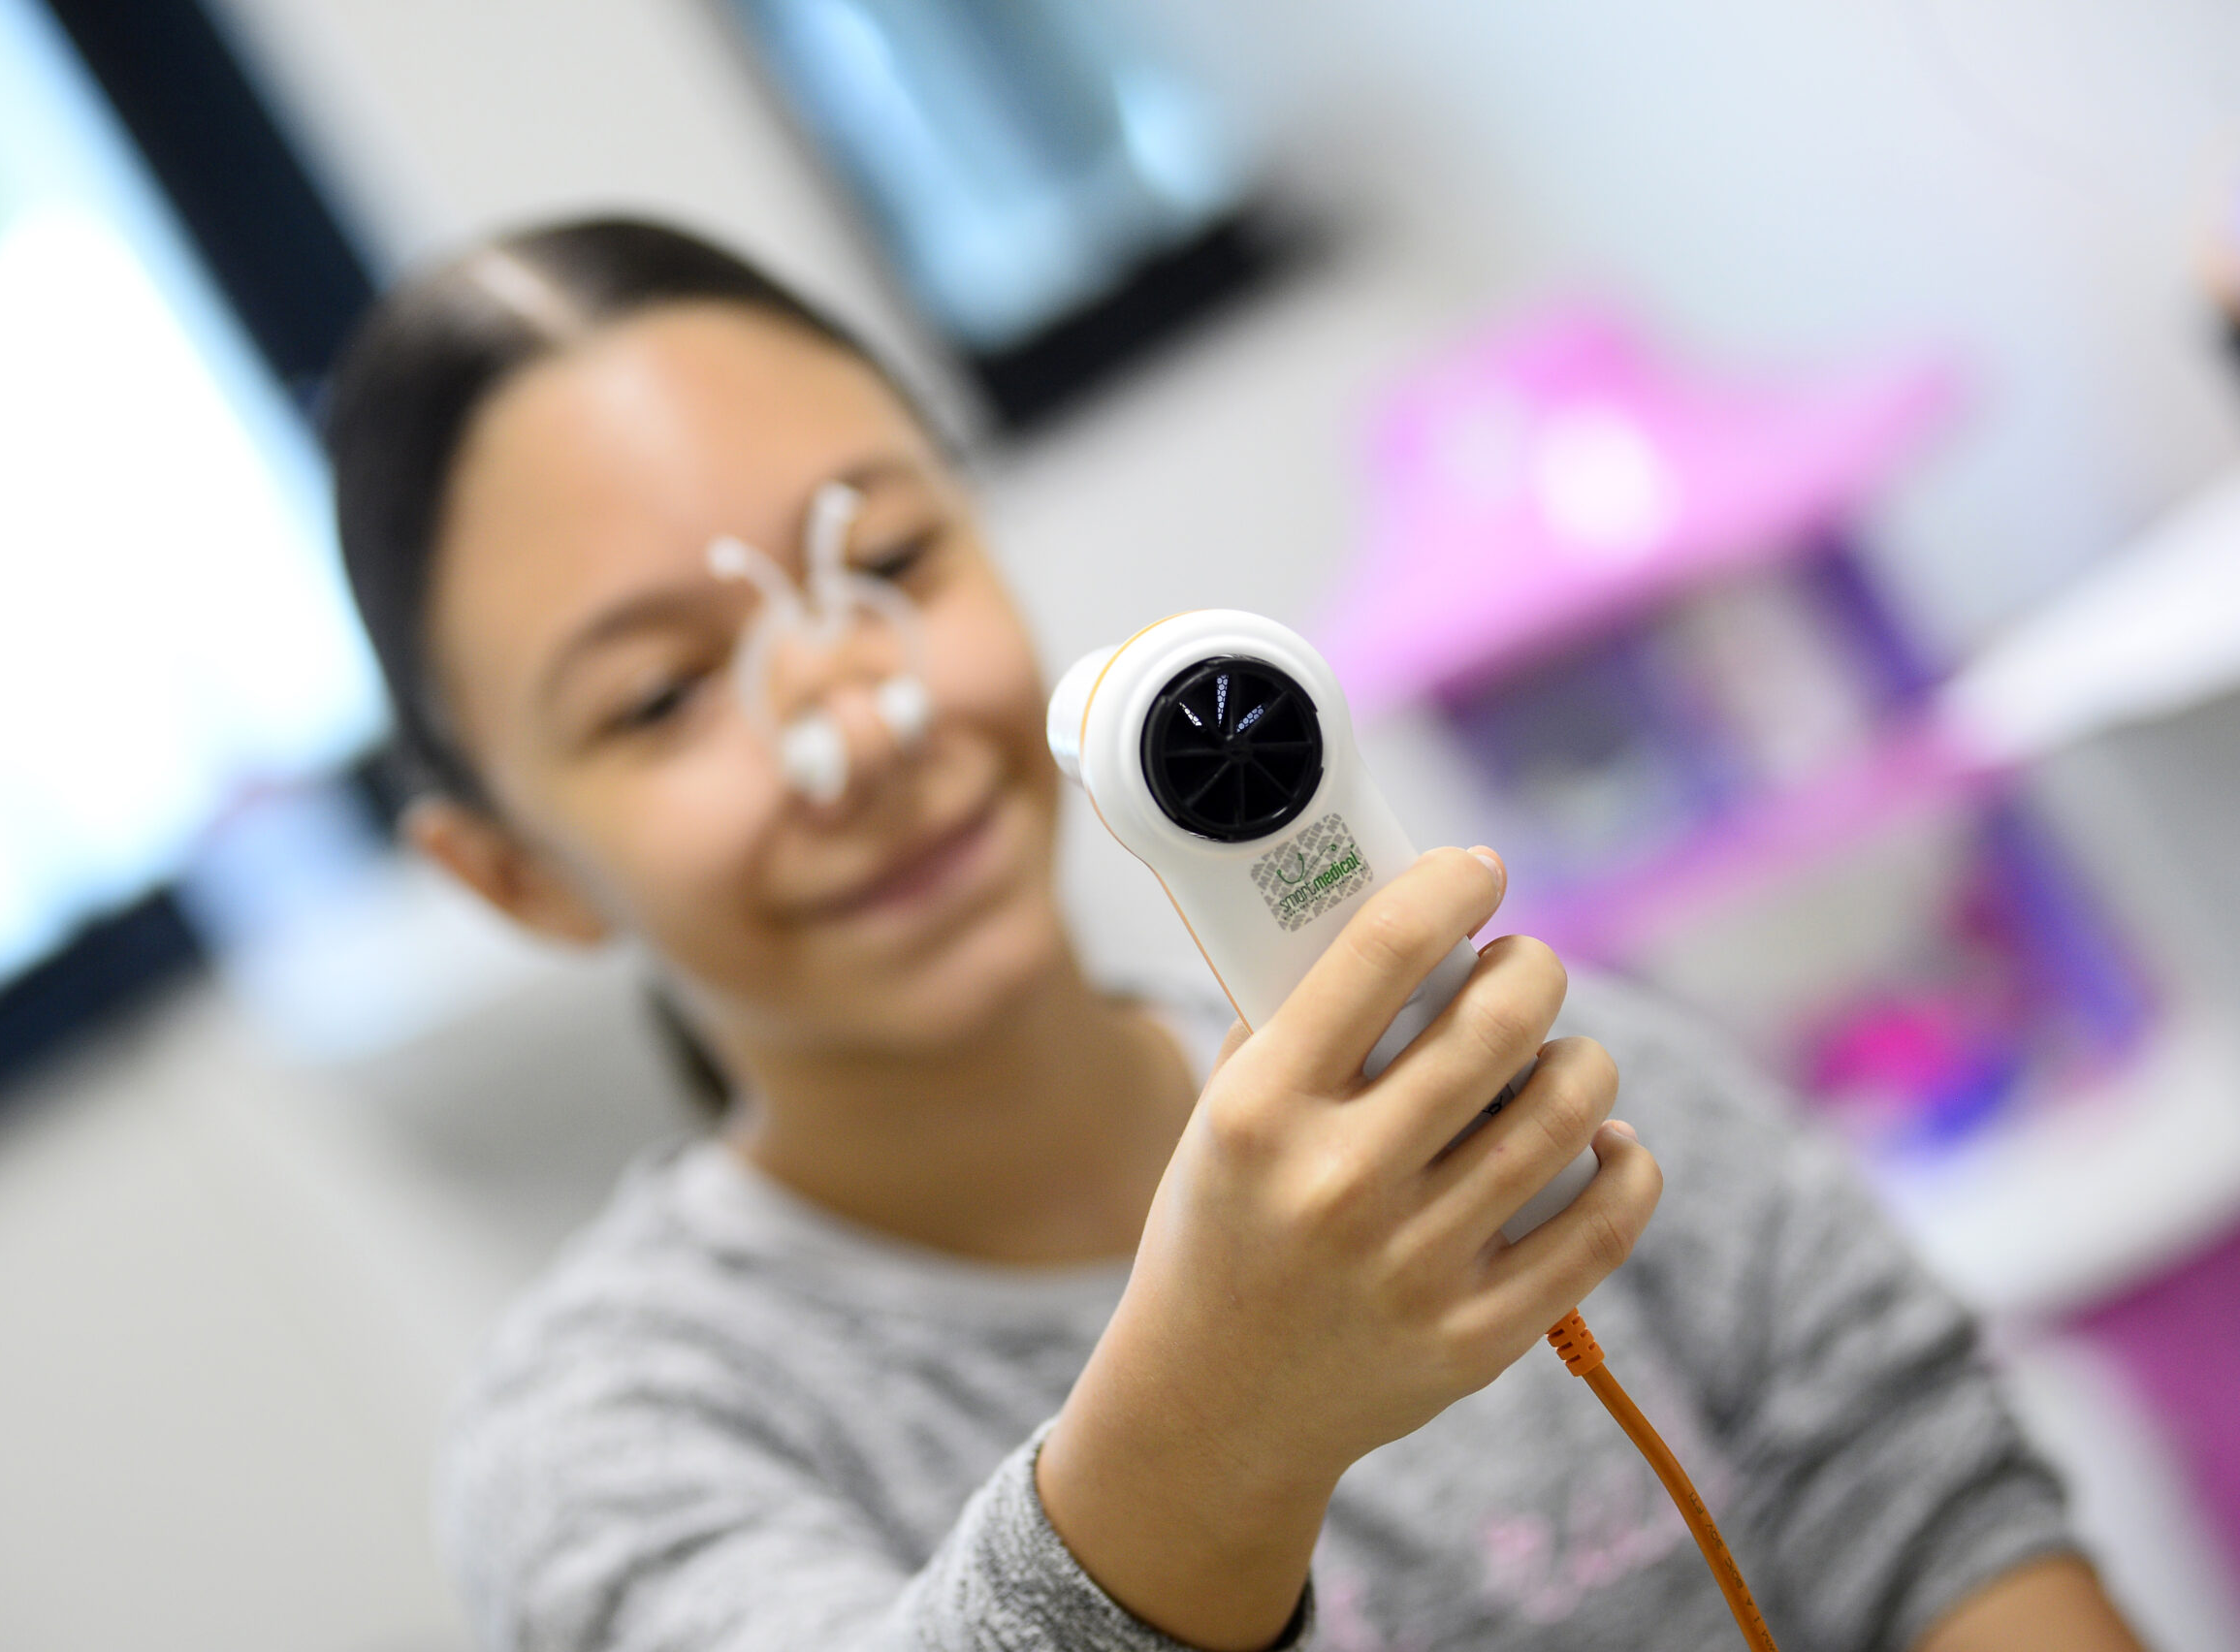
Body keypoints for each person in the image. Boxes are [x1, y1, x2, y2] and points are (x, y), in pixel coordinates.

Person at [323, 218, 2141, 1652]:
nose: (861, 726)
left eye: (885, 565)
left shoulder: (1548, 1090)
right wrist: (1212, 1430)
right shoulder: (616, 1446)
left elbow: (1943, 1528)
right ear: (514, 876)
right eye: (659, 699)